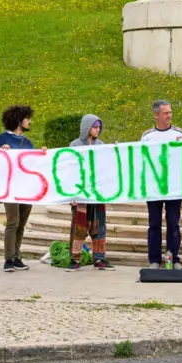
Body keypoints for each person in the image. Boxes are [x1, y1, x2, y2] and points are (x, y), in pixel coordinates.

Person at [141, 100, 182, 270]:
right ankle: (154, 259)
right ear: (156, 115)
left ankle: (174, 259)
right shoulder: (147, 136)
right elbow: (140, 159)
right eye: (166, 113)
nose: (169, 116)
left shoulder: (180, 133)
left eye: (170, 112)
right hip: (153, 187)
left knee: (173, 223)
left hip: (174, 186)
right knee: (154, 223)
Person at [0, 104, 38, 272]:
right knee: (13, 222)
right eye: (28, 118)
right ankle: (8, 259)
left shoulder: (28, 143)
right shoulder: (2, 139)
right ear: (19, 120)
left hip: (26, 188)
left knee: (21, 224)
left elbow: (33, 164)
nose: (30, 121)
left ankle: (17, 256)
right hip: (10, 187)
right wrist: (1, 151)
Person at [67, 115, 112, 271]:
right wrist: (72, 195)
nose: (98, 130)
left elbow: (106, 168)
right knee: (79, 227)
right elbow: (70, 171)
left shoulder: (101, 145)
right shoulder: (75, 146)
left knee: (99, 227)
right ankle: (75, 258)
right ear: (87, 127)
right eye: (95, 127)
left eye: (99, 127)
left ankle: (99, 258)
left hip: (97, 194)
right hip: (81, 194)